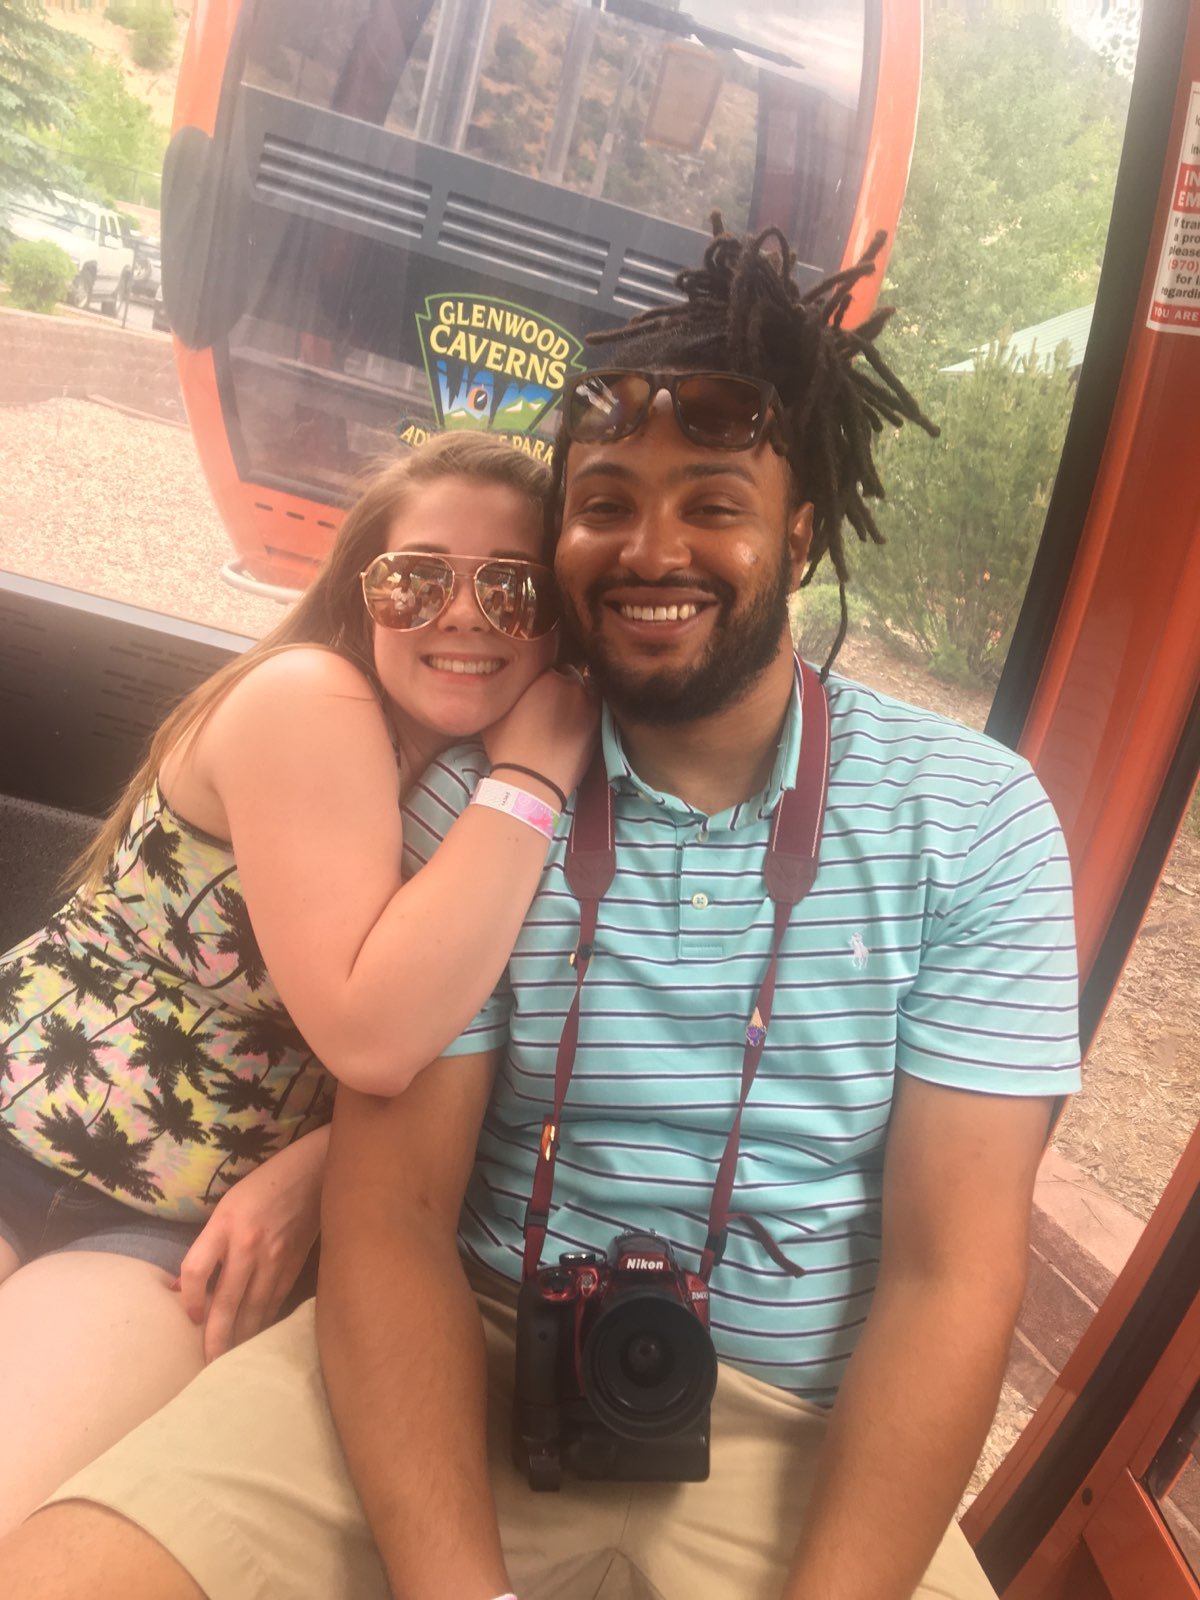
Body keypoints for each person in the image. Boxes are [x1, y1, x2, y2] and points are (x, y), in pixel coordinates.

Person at [0, 223, 1080, 1600]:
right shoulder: (481, 804)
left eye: (714, 504)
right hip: (471, 1351)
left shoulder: (975, 822)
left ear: (799, 534)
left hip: (796, 1425)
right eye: (608, 501)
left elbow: (951, 1278)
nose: (652, 546)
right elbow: (395, 1220)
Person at [0, 431, 595, 1533]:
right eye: (416, 578)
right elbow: (374, 1036)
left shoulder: (459, 794)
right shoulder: (313, 697)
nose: (461, 614)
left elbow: (464, 1047)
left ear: (557, 621)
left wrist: (318, 1167)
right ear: (364, 591)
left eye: (513, 590)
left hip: (177, 1231)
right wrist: (532, 772)